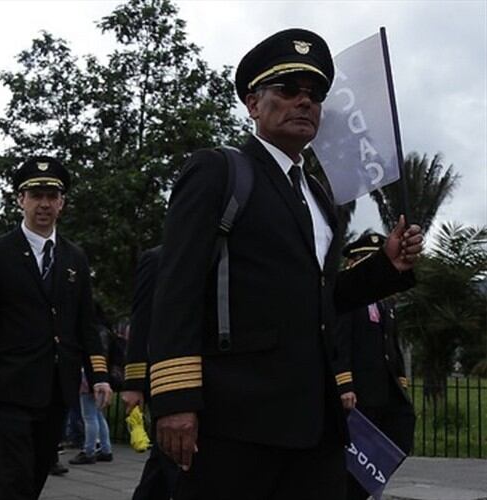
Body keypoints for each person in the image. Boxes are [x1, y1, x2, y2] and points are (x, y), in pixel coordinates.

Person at [148, 28, 424, 500]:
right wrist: (175, 399)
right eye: (289, 88)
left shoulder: (317, 194)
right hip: (237, 418)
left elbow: (322, 296)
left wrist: (386, 266)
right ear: (253, 104)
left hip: (314, 422)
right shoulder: (218, 170)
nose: (304, 101)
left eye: (315, 94)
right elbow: (177, 287)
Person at [0, 155, 113, 499]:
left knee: (33, 476)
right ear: (21, 199)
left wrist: (99, 375)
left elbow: (86, 323)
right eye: (36, 195)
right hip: (7, 390)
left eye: (51, 196)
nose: (44, 204)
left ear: (62, 203)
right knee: (15, 484)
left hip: (55, 390)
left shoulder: (74, 257)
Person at [334, 232, 415, 500]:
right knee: (354, 456)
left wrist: (400, 380)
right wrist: (344, 383)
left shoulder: (385, 302)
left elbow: (392, 344)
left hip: (384, 390)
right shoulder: (348, 299)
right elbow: (339, 341)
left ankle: (364, 490)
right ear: (353, 263)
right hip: (360, 391)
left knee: (398, 436)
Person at [121, 246, 179, 500]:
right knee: (174, 459)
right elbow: (141, 322)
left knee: (163, 463)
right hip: (168, 376)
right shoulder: (158, 259)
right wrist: (134, 382)